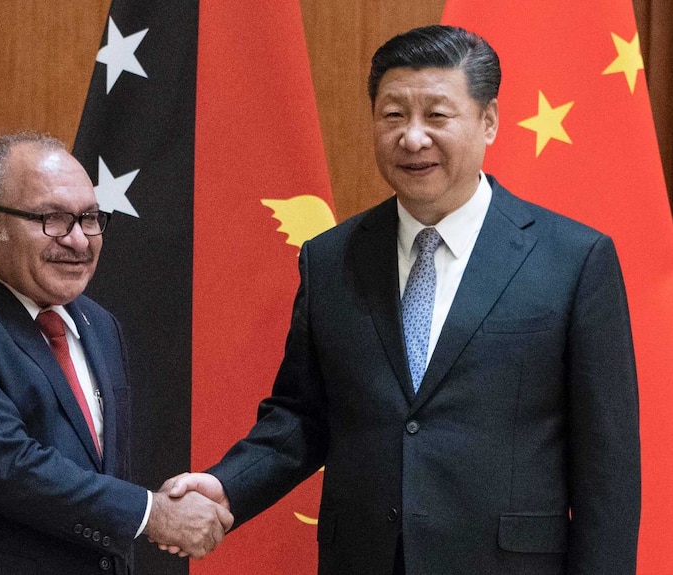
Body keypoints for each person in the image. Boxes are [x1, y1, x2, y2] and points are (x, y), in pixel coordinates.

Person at [163, 25, 641, 574]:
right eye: (393, 116)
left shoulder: (573, 259)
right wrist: (229, 488)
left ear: (488, 122)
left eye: (437, 116)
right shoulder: (330, 258)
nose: (413, 138)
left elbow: (608, 466)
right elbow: (303, 414)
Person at [0, 132, 232, 574]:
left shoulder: (99, 325)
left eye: (89, 218)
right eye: (53, 219)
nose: (80, 241)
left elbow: (101, 474)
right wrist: (152, 514)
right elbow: (7, 468)